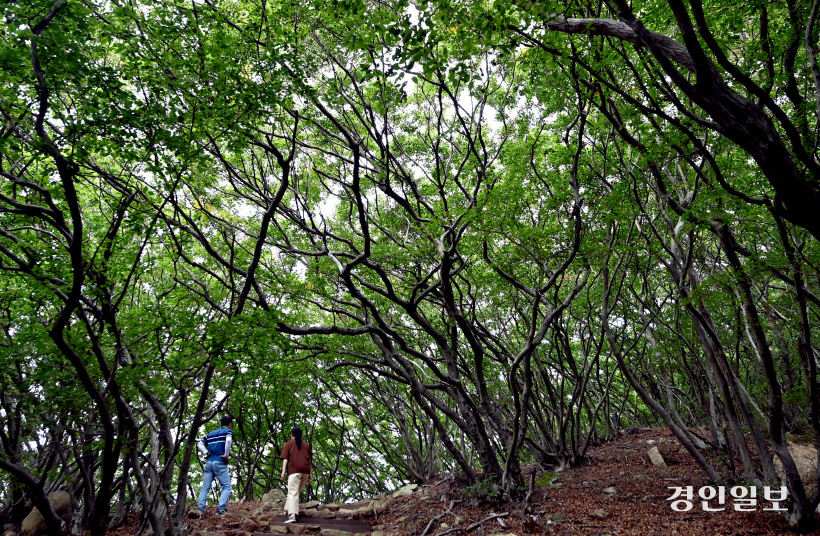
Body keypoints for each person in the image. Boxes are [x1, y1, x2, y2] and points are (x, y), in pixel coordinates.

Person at [197, 415, 234, 515]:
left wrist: (206, 452)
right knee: (226, 487)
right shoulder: (228, 431)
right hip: (220, 462)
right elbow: (229, 440)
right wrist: (226, 455)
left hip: (209, 462)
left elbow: (199, 444)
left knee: (205, 487)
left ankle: (200, 509)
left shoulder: (210, 434)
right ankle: (220, 509)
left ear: (220, 424)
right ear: (230, 424)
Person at [280, 426, 312, 523]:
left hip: (295, 471)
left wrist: (283, 471)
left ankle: (292, 516)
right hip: (305, 471)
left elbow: (285, 458)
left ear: (292, 435)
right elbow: (309, 460)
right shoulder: (306, 445)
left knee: (292, 492)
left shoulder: (289, 443)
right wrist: (310, 474)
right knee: (295, 492)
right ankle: (287, 509)